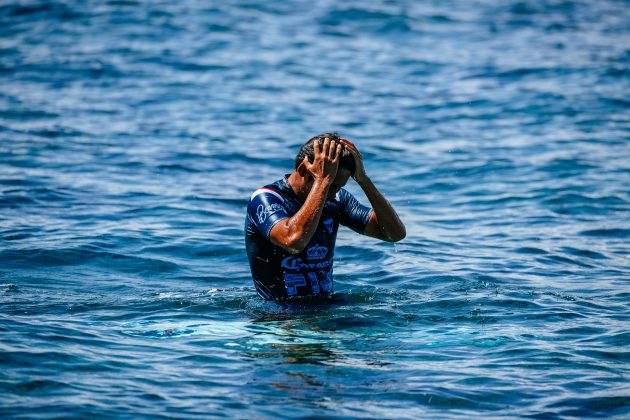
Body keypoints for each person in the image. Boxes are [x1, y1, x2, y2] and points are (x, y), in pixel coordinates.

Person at [245, 133, 406, 300]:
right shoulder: (266, 198)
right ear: (302, 170)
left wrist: (363, 180)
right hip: (278, 316)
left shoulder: (337, 198)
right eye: (331, 186)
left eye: (338, 187)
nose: (332, 194)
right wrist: (323, 182)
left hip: (326, 311)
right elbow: (293, 241)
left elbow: (394, 234)